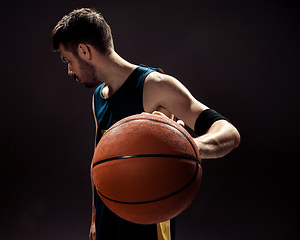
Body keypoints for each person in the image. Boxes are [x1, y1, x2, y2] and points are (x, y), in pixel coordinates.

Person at [52, 8, 240, 240]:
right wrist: (94, 220)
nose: (69, 70)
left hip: (149, 221)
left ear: (84, 51)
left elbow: (229, 133)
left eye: (67, 60)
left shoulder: (156, 86)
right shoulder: (98, 97)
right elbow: (99, 161)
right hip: (108, 219)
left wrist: (188, 147)